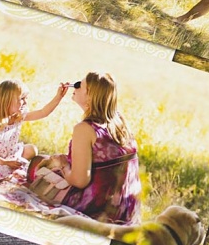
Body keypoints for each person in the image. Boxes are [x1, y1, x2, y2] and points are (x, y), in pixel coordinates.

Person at [34, 72, 142, 225]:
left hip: (98, 208)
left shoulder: (85, 129)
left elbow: (80, 181)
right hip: (127, 209)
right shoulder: (119, 121)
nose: (75, 86)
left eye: (79, 85)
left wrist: (63, 164)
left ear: (90, 96)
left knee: (36, 167)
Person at [0, 79, 69, 181]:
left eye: (26, 98)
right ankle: (8, 169)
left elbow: (43, 112)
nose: (25, 102)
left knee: (32, 149)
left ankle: (11, 166)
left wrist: (58, 97)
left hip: (7, 152)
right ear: (7, 102)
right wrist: (4, 162)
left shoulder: (18, 117)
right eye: (22, 98)